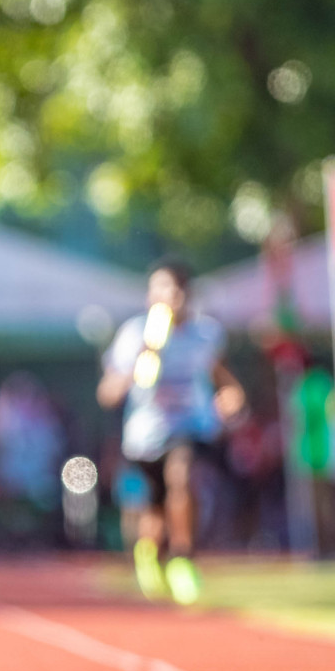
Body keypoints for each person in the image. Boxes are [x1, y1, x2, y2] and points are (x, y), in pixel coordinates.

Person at [97, 258, 243, 605]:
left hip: (190, 426)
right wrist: (137, 365)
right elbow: (107, 393)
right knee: (155, 507)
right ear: (150, 296)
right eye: (162, 289)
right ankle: (148, 552)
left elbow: (222, 376)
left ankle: (183, 558)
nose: (171, 297)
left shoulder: (206, 333)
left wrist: (233, 396)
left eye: (177, 290)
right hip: (145, 435)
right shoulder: (134, 334)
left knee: (183, 474)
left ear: (188, 295)